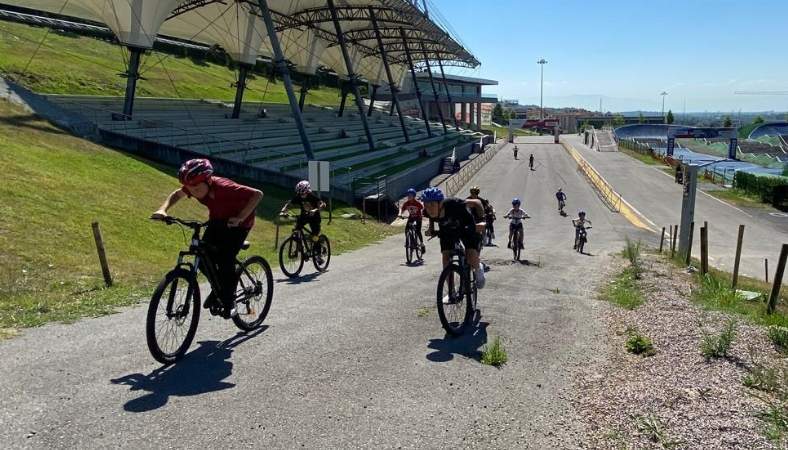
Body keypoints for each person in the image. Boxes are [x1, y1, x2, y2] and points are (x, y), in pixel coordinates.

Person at [152, 158, 263, 318]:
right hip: (217, 221)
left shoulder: (225, 187)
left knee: (226, 259)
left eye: (196, 188)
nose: (193, 191)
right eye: (190, 188)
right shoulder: (194, 186)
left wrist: (240, 217)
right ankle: (218, 289)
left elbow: (257, 194)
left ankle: (229, 300)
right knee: (202, 256)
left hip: (239, 223)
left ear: (208, 180)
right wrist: (163, 210)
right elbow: (177, 194)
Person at [421, 187, 487, 289]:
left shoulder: (454, 203)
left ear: (441, 203)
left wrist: (482, 220)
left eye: (432, 204)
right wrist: (431, 230)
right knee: (445, 257)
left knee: (470, 254)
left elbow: (477, 202)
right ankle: (451, 292)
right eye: (426, 205)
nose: (429, 208)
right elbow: (432, 218)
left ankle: (478, 269)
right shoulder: (427, 211)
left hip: (466, 225)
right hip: (448, 229)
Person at [400, 188, 426, 253]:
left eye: (410, 195)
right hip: (411, 217)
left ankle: (422, 244)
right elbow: (402, 209)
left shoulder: (417, 203)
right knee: (406, 229)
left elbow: (423, 208)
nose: (409, 196)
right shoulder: (407, 203)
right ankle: (410, 242)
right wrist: (400, 214)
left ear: (414, 196)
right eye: (408, 195)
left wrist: (423, 213)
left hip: (418, 217)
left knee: (418, 231)